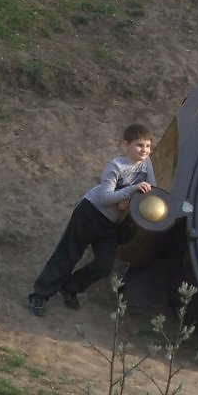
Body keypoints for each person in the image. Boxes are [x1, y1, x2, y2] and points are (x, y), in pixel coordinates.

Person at [28, 123, 155, 317]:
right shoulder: (116, 166)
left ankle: (69, 287)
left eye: (147, 146)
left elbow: (150, 190)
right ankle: (40, 295)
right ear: (125, 146)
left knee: (104, 265)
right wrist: (129, 192)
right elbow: (105, 197)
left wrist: (128, 200)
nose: (144, 150)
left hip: (111, 223)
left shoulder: (147, 164)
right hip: (90, 212)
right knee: (69, 253)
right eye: (139, 145)